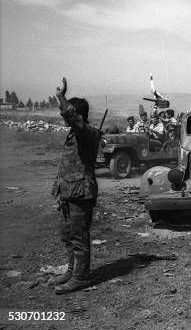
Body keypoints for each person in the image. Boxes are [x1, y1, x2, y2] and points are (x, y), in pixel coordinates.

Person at [49, 77, 100, 294]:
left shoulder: (87, 133)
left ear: (77, 116)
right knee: (67, 234)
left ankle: (81, 277)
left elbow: (73, 117)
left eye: (69, 115)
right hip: (69, 192)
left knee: (79, 236)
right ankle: (72, 271)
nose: (65, 118)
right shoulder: (73, 134)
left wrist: (61, 96)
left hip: (81, 193)